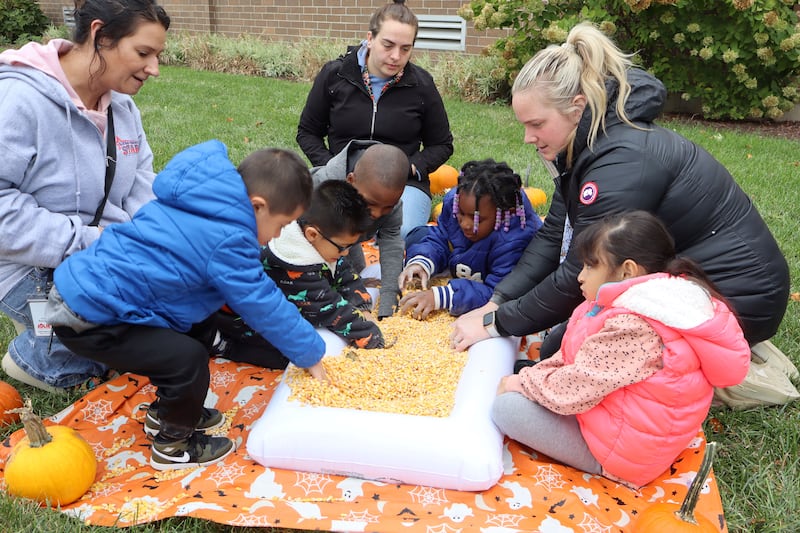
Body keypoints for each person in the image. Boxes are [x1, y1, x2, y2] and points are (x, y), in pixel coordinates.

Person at [450, 22, 790, 374]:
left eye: (536, 124)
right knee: (564, 342)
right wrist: (498, 300)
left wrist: (495, 324)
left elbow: (582, 270)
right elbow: (554, 235)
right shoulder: (588, 145)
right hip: (694, 279)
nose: (527, 137)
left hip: (739, 298)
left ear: (577, 107)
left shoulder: (621, 159)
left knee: (567, 349)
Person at [43, 140, 328, 470]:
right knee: (186, 360)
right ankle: (173, 445)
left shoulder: (200, 200)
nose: (277, 236)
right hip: (92, 319)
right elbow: (261, 302)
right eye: (280, 225)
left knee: (198, 330)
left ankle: (168, 412)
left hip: (90, 296)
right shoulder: (230, 238)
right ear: (258, 206)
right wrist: (310, 351)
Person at [492, 211, 750, 488]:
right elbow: (574, 360)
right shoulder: (660, 298)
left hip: (621, 455)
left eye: (591, 266)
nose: (580, 276)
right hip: (630, 428)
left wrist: (517, 383)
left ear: (628, 270)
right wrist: (536, 379)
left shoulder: (633, 326)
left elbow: (572, 389)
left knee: (506, 409)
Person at [0, 0, 170, 393]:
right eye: (143, 53)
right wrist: (93, 243)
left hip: (102, 252)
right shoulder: (17, 101)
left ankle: (55, 326)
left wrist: (146, 244)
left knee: (166, 306)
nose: (154, 69)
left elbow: (142, 182)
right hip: (24, 264)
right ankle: (35, 355)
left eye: (158, 55)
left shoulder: (123, 108)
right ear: (100, 35)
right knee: (89, 355)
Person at [295, 0, 454, 240]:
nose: (395, 56)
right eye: (388, 45)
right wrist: (333, 168)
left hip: (402, 187)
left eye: (405, 49)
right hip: (343, 180)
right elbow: (307, 132)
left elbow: (442, 144)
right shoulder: (334, 76)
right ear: (370, 38)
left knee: (402, 234)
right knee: (309, 228)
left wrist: (410, 168)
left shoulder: (422, 86)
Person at [216, 179, 385, 368]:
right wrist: (372, 337)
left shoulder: (323, 239)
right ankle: (223, 344)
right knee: (286, 358)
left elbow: (343, 272)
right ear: (312, 234)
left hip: (286, 301)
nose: (346, 253)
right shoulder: (294, 263)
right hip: (241, 321)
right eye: (343, 248)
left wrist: (361, 305)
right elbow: (330, 310)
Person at [398, 159, 542, 319]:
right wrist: (422, 262)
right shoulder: (456, 200)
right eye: (460, 213)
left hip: (490, 274)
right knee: (418, 237)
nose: (466, 224)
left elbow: (500, 293)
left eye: (477, 220)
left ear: (502, 214)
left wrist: (441, 296)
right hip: (464, 263)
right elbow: (440, 237)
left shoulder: (516, 237)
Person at [312, 140, 409, 319]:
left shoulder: (387, 201)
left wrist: (389, 302)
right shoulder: (321, 190)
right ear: (350, 181)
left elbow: (392, 245)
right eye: (370, 204)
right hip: (309, 251)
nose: (377, 213)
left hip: (347, 245)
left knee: (356, 274)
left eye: (387, 207)